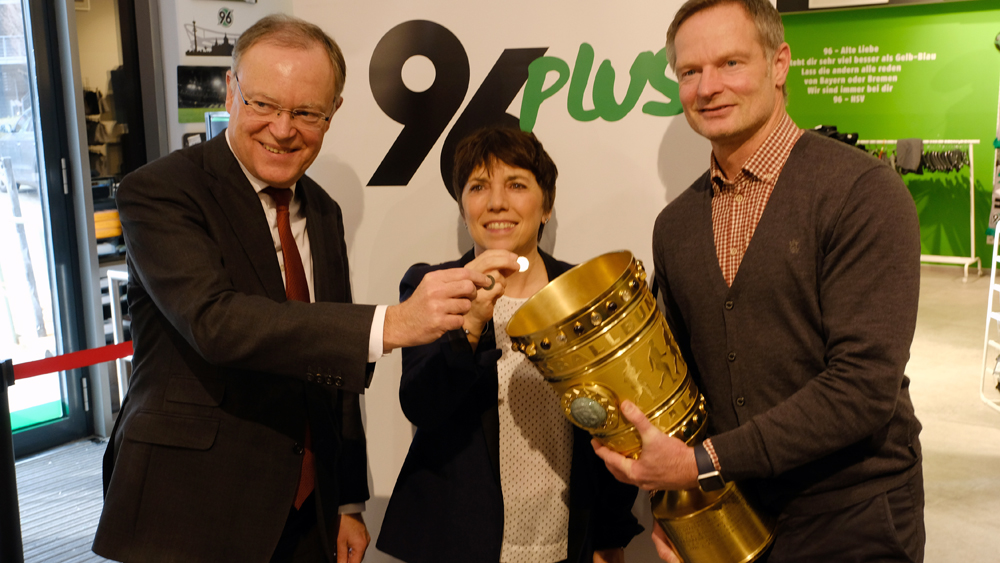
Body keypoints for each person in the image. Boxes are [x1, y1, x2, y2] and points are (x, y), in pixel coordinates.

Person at [92, 14, 507, 563]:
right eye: (263, 104)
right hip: (190, 510)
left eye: (306, 112)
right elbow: (217, 323)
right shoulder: (160, 191)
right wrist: (394, 322)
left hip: (307, 515)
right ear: (231, 90)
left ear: (333, 112)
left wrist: (348, 500)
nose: (283, 129)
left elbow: (333, 369)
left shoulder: (323, 209)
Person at [592, 1, 925, 562]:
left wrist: (702, 465)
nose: (708, 87)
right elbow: (686, 386)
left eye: (730, 63)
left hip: (855, 514)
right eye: (690, 71)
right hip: (736, 511)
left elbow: (864, 386)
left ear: (779, 64)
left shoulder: (862, 192)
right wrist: (678, 507)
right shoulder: (675, 225)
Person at [376, 128, 642, 563]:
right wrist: (472, 323)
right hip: (457, 545)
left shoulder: (583, 293)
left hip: (564, 542)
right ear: (463, 208)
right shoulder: (433, 286)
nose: (497, 202)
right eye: (478, 187)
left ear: (546, 205)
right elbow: (422, 405)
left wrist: (609, 536)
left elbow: (615, 424)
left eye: (516, 185)